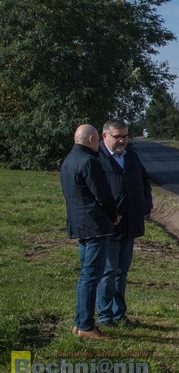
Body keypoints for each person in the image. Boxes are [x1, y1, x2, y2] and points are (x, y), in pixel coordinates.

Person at [60, 124, 119, 339]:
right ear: (92, 139)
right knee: (92, 277)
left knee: (86, 275)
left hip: (79, 224)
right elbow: (103, 194)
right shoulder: (89, 161)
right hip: (95, 225)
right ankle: (85, 325)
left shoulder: (69, 160)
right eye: (98, 140)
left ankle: (80, 322)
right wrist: (114, 215)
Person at [96, 119, 153, 328]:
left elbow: (145, 181)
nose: (122, 141)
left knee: (121, 271)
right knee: (108, 272)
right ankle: (104, 315)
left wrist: (145, 205)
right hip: (108, 226)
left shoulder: (131, 157)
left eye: (125, 136)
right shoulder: (97, 159)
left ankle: (119, 313)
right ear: (104, 136)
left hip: (130, 224)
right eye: (117, 137)